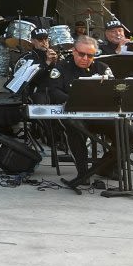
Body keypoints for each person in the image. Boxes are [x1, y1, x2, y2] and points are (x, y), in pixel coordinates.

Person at [44, 35, 115, 179]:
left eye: (90, 55)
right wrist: (74, 100)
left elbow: (114, 91)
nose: (85, 58)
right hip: (73, 114)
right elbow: (53, 92)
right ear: (74, 51)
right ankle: (83, 173)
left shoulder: (102, 68)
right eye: (82, 54)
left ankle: (106, 167)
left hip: (99, 115)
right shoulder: (61, 68)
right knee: (74, 127)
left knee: (129, 132)